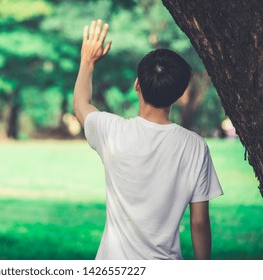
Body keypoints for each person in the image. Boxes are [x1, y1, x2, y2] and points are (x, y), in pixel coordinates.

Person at [73, 19, 223, 260]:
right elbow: (199, 221)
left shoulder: (112, 132)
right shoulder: (195, 146)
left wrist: (87, 61)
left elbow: (80, 106)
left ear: (137, 85)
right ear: (179, 93)